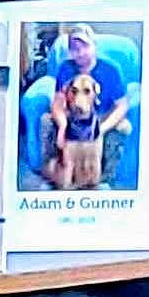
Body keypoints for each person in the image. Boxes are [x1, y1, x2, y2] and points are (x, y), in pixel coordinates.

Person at [41, 24, 133, 186]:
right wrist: (63, 125)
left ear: (94, 46)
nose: (80, 52)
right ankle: (55, 175)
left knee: (124, 127)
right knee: (46, 121)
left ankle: (105, 179)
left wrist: (101, 129)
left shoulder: (111, 69)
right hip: (73, 118)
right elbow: (57, 103)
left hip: (102, 117)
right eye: (75, 48)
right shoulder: (65, 68)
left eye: (85, 46)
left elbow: (122, 106)